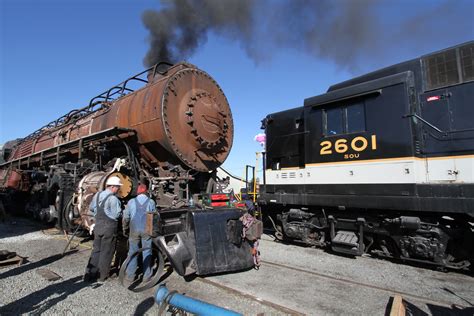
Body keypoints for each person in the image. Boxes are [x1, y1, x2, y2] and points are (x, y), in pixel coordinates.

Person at [84, 176, 123, 282]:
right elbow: (116, 215)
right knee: (107, 252)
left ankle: (89, 274)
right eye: (118, 187)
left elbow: (91, 209)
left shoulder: (97, 195)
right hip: (109, 228)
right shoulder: (113, 199)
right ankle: (101, 276)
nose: (119, 189)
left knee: (96, 251)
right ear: (113, 187)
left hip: (98, 226)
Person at [122, 183, 156, 283]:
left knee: (133, 252)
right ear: (146, 192)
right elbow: (155, 216)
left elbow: (126, 217)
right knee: (147, 251)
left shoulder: (131, 202)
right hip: (147, 230)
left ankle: (130, 276)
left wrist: (125, 228)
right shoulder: (151, 202)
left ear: (137, 192)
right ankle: (147, 276)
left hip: (134, 230)